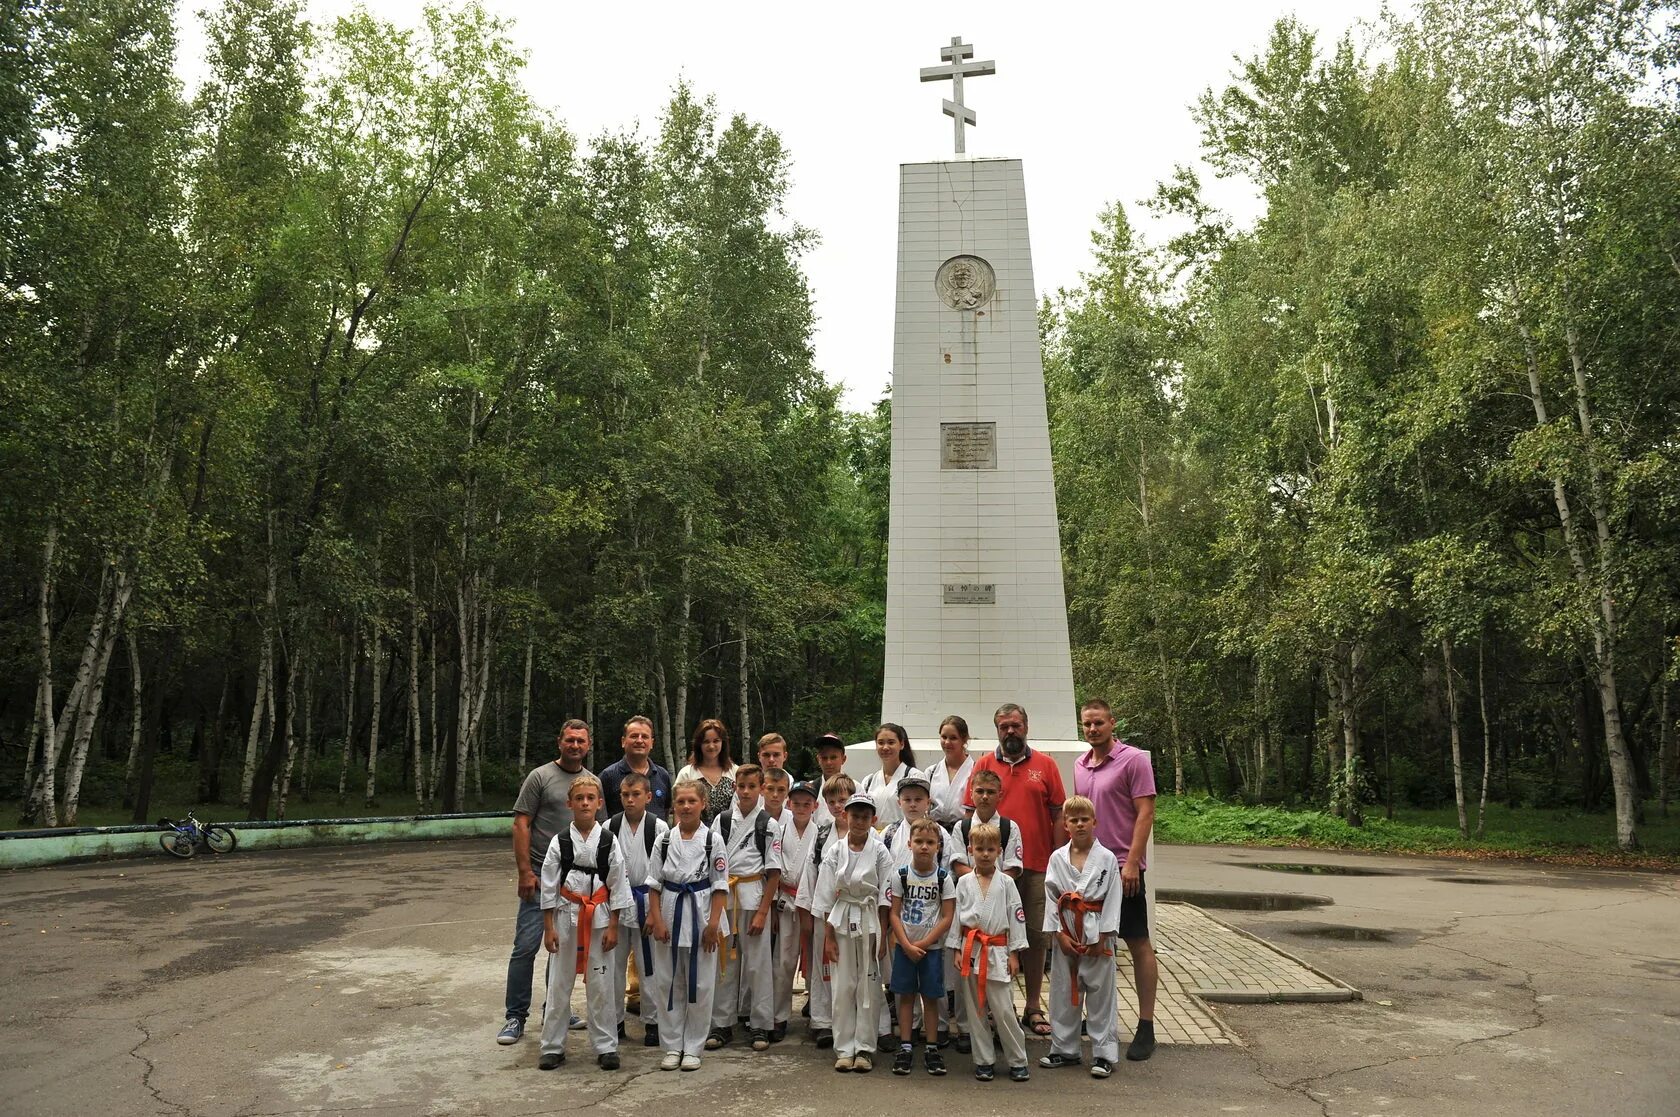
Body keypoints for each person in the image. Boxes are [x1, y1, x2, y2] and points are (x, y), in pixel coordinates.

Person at [964, 702, 1064, 1039]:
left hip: (1036, 867)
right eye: (1004, 726)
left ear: (1026, 726)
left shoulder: (1046, 765)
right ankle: (991, 1007)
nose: (1010, 731)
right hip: (989, 874)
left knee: (1036, 937)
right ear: (996, 729)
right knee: (991, 937)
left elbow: (1058, 815)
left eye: (1016, 725)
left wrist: (1057, 860)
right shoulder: (983, 764)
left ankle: (1033, 1005)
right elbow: (970, 816)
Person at [1073, 697, 1159, 1062]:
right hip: (1088, 871)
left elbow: (1146, 812)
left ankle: (1146, 1024)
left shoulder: (1134, 760)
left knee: (1137, 941)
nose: (1093, 729)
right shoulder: (1080, 764)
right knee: (1087, 942)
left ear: (1112, 722)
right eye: (1087, 724)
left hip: (1123, 868)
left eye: (1098, 723)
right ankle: (1088, 1016)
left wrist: (1132, 862)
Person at [499, 720, 593, 1046]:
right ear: (560, 742)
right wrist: (525, 872)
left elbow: (597, 832)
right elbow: (521, 824)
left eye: (581, 741)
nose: (575, 746)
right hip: (540, 878)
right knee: (525, 948)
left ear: (588, 744)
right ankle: (515, 1016)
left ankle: (557, 1008)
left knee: (564, 950)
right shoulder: (540, 777)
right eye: (570, 740)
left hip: (575, 884)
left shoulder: (589, 782)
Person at [536, 774, 631, 1071]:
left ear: (599, 803)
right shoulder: (560, 841)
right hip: (566, 917)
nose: (585, 803)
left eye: (591, 798)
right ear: (569, 804)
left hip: (600, 919)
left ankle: (606, 1046)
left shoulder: (608, 840)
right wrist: (548, 926)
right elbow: (549, 886)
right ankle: (552, 1046)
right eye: (579, 798)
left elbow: (617, 883)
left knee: (601, 985)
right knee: (559, 985)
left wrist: (615, 925)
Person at [643, 779, 729, 1072]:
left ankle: (694, 1046)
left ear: (703, 804)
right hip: (670, 907)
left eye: (692, 801)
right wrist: (655, 918)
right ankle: (672, 1046)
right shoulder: (665, 839)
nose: (686, 806)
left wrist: (713, 924)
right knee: (668, 982)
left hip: (702, 910)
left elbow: (720, 886)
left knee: (701, 984)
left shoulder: (712, 840)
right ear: (674, 806)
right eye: (681, 802)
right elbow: (654, 883)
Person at [1039, 795, 1123, 1078]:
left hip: (1097, 930)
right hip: (1067, 930)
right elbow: (1051, 898)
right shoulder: (1057, 857)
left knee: (1101, 995)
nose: (1079, 824)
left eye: (1084, 819)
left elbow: (1113, 898)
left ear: (1095, 822)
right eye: (1073, 820)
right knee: (1064, 992)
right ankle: (1065, 1049)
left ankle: (1104, 1054)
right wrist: (1058, 936)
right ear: (1066, 825)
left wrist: (1103, 936)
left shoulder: (1107, 859)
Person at [813, 791, 894, 1074]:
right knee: (843, 986)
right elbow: (825, 896)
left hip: (870, 919)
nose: (859, 821)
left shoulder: (881, 850)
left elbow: (886, 896)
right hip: (842, 917)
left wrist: (883, 934)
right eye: (854, 815)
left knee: (868, 986)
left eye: (864, 816)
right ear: (845, 816)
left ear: (873, 819)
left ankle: (865, 1049)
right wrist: (828, 937)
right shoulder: (835, 850)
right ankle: (844, 1048)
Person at [708, 764, 782, 1051]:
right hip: (726, 896)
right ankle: (722, 1023)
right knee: (725, 963)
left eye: (753, 786)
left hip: (753, 896)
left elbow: (774, 873)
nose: (747, 791)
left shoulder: (768, 823)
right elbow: (713, 864)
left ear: (762, 788)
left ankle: (760, 1024)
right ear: (735, 787)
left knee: (758, 965)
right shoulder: (722, 821)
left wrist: (765, 911)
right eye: (742, 786)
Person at [951, 822, 1029, 1083]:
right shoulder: (962, 882)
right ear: (970, 850)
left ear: (1000, 850)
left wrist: (1015, 953)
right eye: (980, 849)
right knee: (975, 1010)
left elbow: (1016, 918)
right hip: (971, 949)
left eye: (990, 849)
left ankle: (1018, 1059)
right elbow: (956, 920)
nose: (985, 854)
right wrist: (956, 949)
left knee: (1004, 1009)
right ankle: (984, 1061)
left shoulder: (1007, 883)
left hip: (997, 951)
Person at [887, 818, 956, 1077]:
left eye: (930, 842)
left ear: (938, 845)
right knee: (906, 996)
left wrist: (924, 943)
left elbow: (947, 917)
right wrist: (905, 943)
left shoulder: (943, 878)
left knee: (930, 997)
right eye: (919, 841)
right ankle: (905, 1046)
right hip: (905, 947)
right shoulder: (901, 875)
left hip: (931, 949)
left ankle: (931, 1046)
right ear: (909, 843)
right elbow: (894, 914)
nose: (924, 847)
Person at [607, 771, 669, 1048]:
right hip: (617, 904)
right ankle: (614, 1020)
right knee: (614, 967)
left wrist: (657, 913)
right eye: (625, 795)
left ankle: (653, 1022)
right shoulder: (609, 826)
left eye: (635, 795)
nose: (630, 800)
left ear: (647, 796)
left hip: (647, 901)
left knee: (650, 968)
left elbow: (664, 873)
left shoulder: (659, 828)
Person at [797, 774, 855, 1048]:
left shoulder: (864, 832)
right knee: (824, 969)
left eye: (842, 800)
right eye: (831, 801)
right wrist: (808, 911)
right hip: (825, 910)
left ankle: (853, 1019)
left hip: (855, 910)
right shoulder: (821, 835)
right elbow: (810, 873)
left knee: (854, 967)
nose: (837, 806)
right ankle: (822, 1021)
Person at [767, 770, 817, 1042]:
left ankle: (819, 1016)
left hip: (810, 905)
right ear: (788, 803)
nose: (800, 807)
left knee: (814, 961)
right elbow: (772, 869)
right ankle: (779, 1016)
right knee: (783, 961)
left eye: (806, 803)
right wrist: (773, 905)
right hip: (785, 902)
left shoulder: (819, 833)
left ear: (815, 806)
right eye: (796, 803)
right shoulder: (779, 831)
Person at [600, 715, 673, 822]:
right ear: (623, 741)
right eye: (634, 736)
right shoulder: (608, 776)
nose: (639, 741)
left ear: (652, 743)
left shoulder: (662, 775)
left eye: (644, 736)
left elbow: (666, 811)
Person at [675, 719, 737, 823]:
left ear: (723, 742)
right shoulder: (687, 773)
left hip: (729, 835)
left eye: (716, 741)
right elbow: (678, 810)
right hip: (696, 835)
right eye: (706, 742)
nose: (711, 746)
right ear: (699, 744)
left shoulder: (735, 772)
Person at [858, 722, 916, 829]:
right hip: (874, 839)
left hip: (902, 837)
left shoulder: (914, 776)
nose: (885, 747)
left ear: (902, 744)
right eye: (880, 743)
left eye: (891, 742)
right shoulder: (869, 781)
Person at [927, 715, 975, 826]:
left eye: (953, 738)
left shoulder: (975, 771)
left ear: (964, 740)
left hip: (964, 830)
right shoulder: (931, 772)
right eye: (944, 737)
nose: (947, 742)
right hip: (934, 831)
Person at [813, 732, 850, 824]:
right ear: (818, 759)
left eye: (833, 757)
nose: (829, 762)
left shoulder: (855, 787)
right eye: (824, 758)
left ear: (843, 759)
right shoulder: (812, 788)